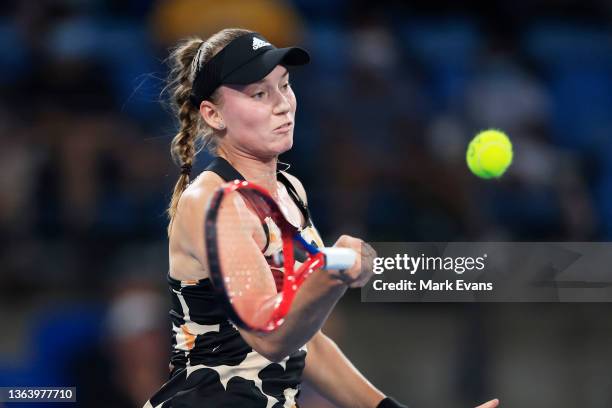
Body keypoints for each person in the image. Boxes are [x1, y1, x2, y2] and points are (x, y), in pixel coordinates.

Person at [144, 28, 499, 408]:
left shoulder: (290, 190)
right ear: (213, 115)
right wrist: (328, 273)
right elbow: (269, 336)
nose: (283, 104)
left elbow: (306, 342)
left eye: (285, 85)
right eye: (260, 94)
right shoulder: (211, 200)